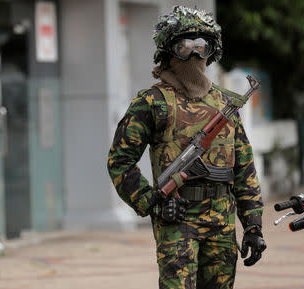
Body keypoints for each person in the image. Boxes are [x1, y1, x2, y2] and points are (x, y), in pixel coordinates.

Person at [107, 6, 266, 289]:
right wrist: (152, 203)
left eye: (201, 47)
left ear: (210, 51)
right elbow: (120, 160)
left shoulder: (225, 105)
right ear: (169, 52)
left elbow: (244, 168)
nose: (194, 55)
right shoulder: (152, 102)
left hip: (222, 221)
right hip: (176, 218)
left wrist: (253, 224)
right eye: (184, 47)